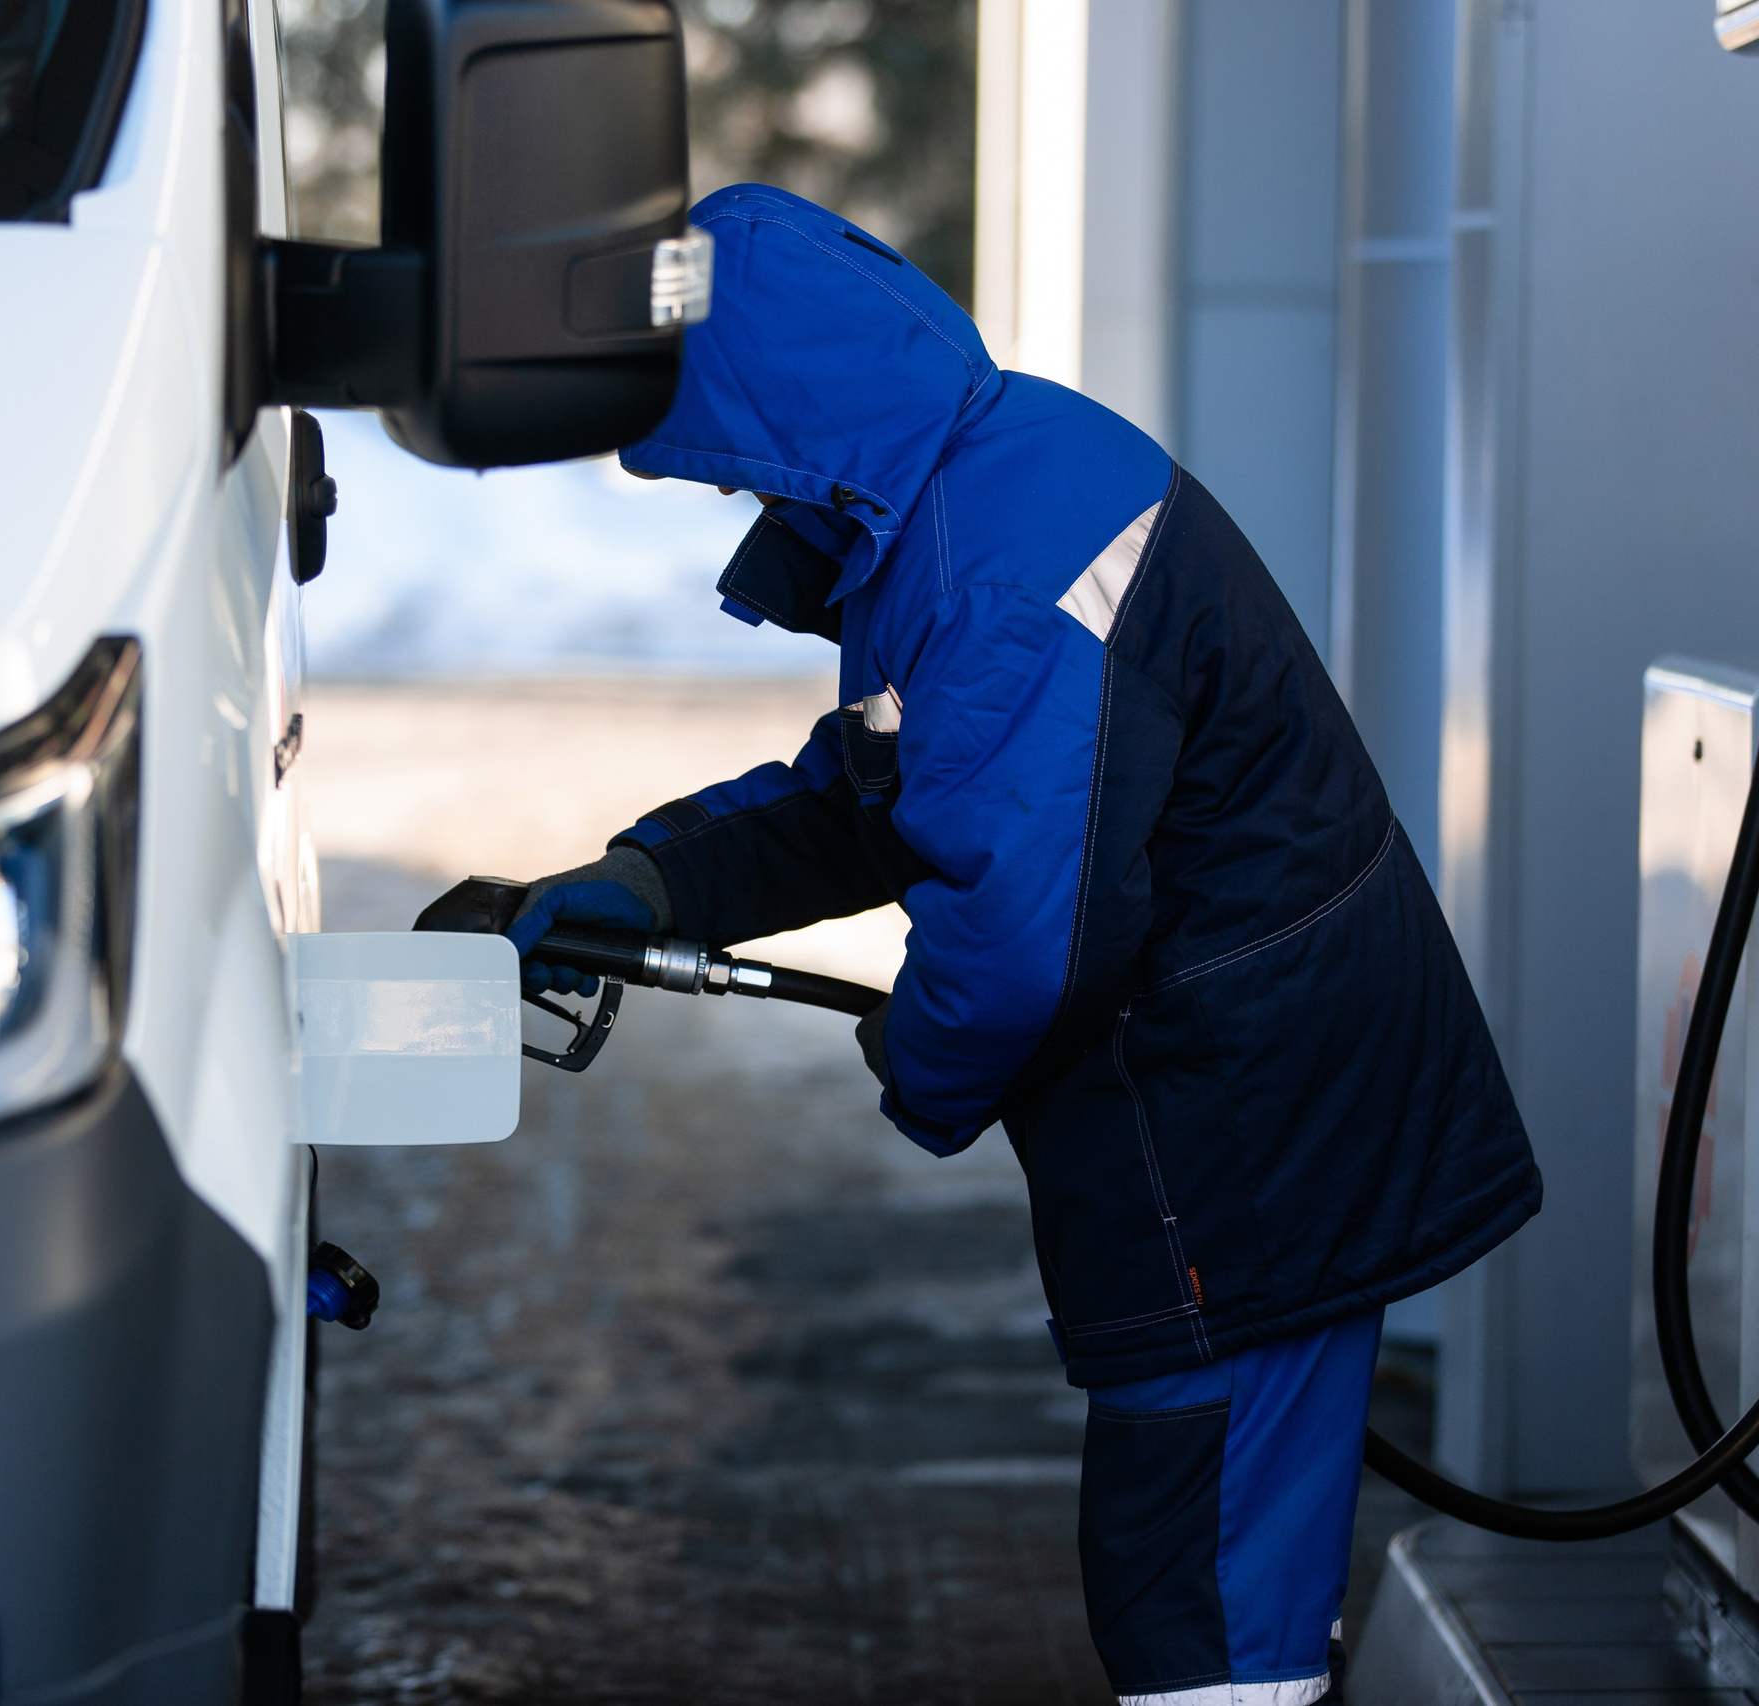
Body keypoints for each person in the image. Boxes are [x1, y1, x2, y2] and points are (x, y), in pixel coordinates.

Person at [502, 184, 1540, 1706]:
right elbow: (881, 793)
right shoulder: (976, 490)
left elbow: (1026, 936)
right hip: (1234, 1092)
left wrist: (922, 1049)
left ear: (795, 430)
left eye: (736, 477)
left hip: (1239, 1121)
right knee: (1204, 1545)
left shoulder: (1000, 567)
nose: (740, 511)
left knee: (1200, 1578)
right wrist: (658, 879)